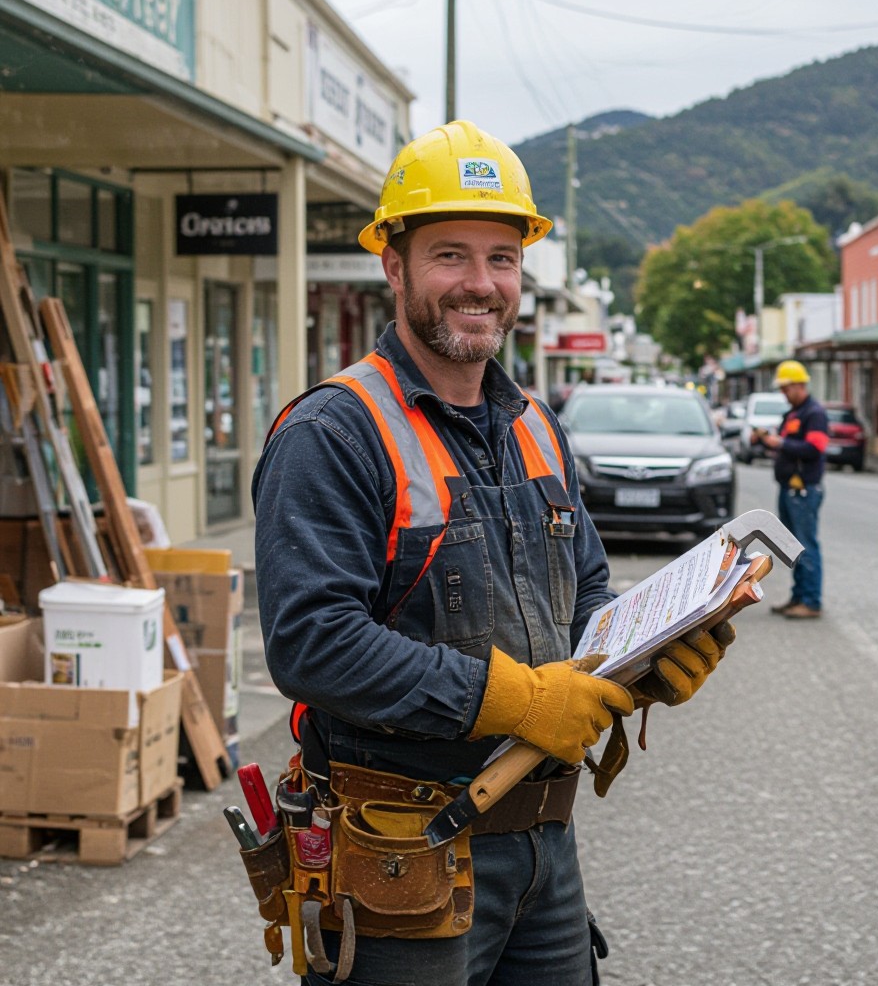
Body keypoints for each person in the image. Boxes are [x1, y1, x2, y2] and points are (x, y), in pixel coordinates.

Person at [253, 119, 733, 985]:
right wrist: (512, 697)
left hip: (545, 848)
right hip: (400, 856)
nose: (481, 283)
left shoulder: (534, 425)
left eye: (502, 258)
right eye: (450, 255)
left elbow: (583, 585)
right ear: (393, 265)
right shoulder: (333, 433)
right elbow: (312, 642)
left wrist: (639, 658)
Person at [759, 360, 828, 619]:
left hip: (803, 490)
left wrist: (782, 443)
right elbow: (787, 445)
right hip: (789, 489)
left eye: (787, 388)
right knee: (793, 546)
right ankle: (799, 596)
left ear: (800, 385)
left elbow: (815, 448)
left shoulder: (814, 413)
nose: (784, 393)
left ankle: (811, 601)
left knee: (806, 545)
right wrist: (768, 441)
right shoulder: (793, 414)